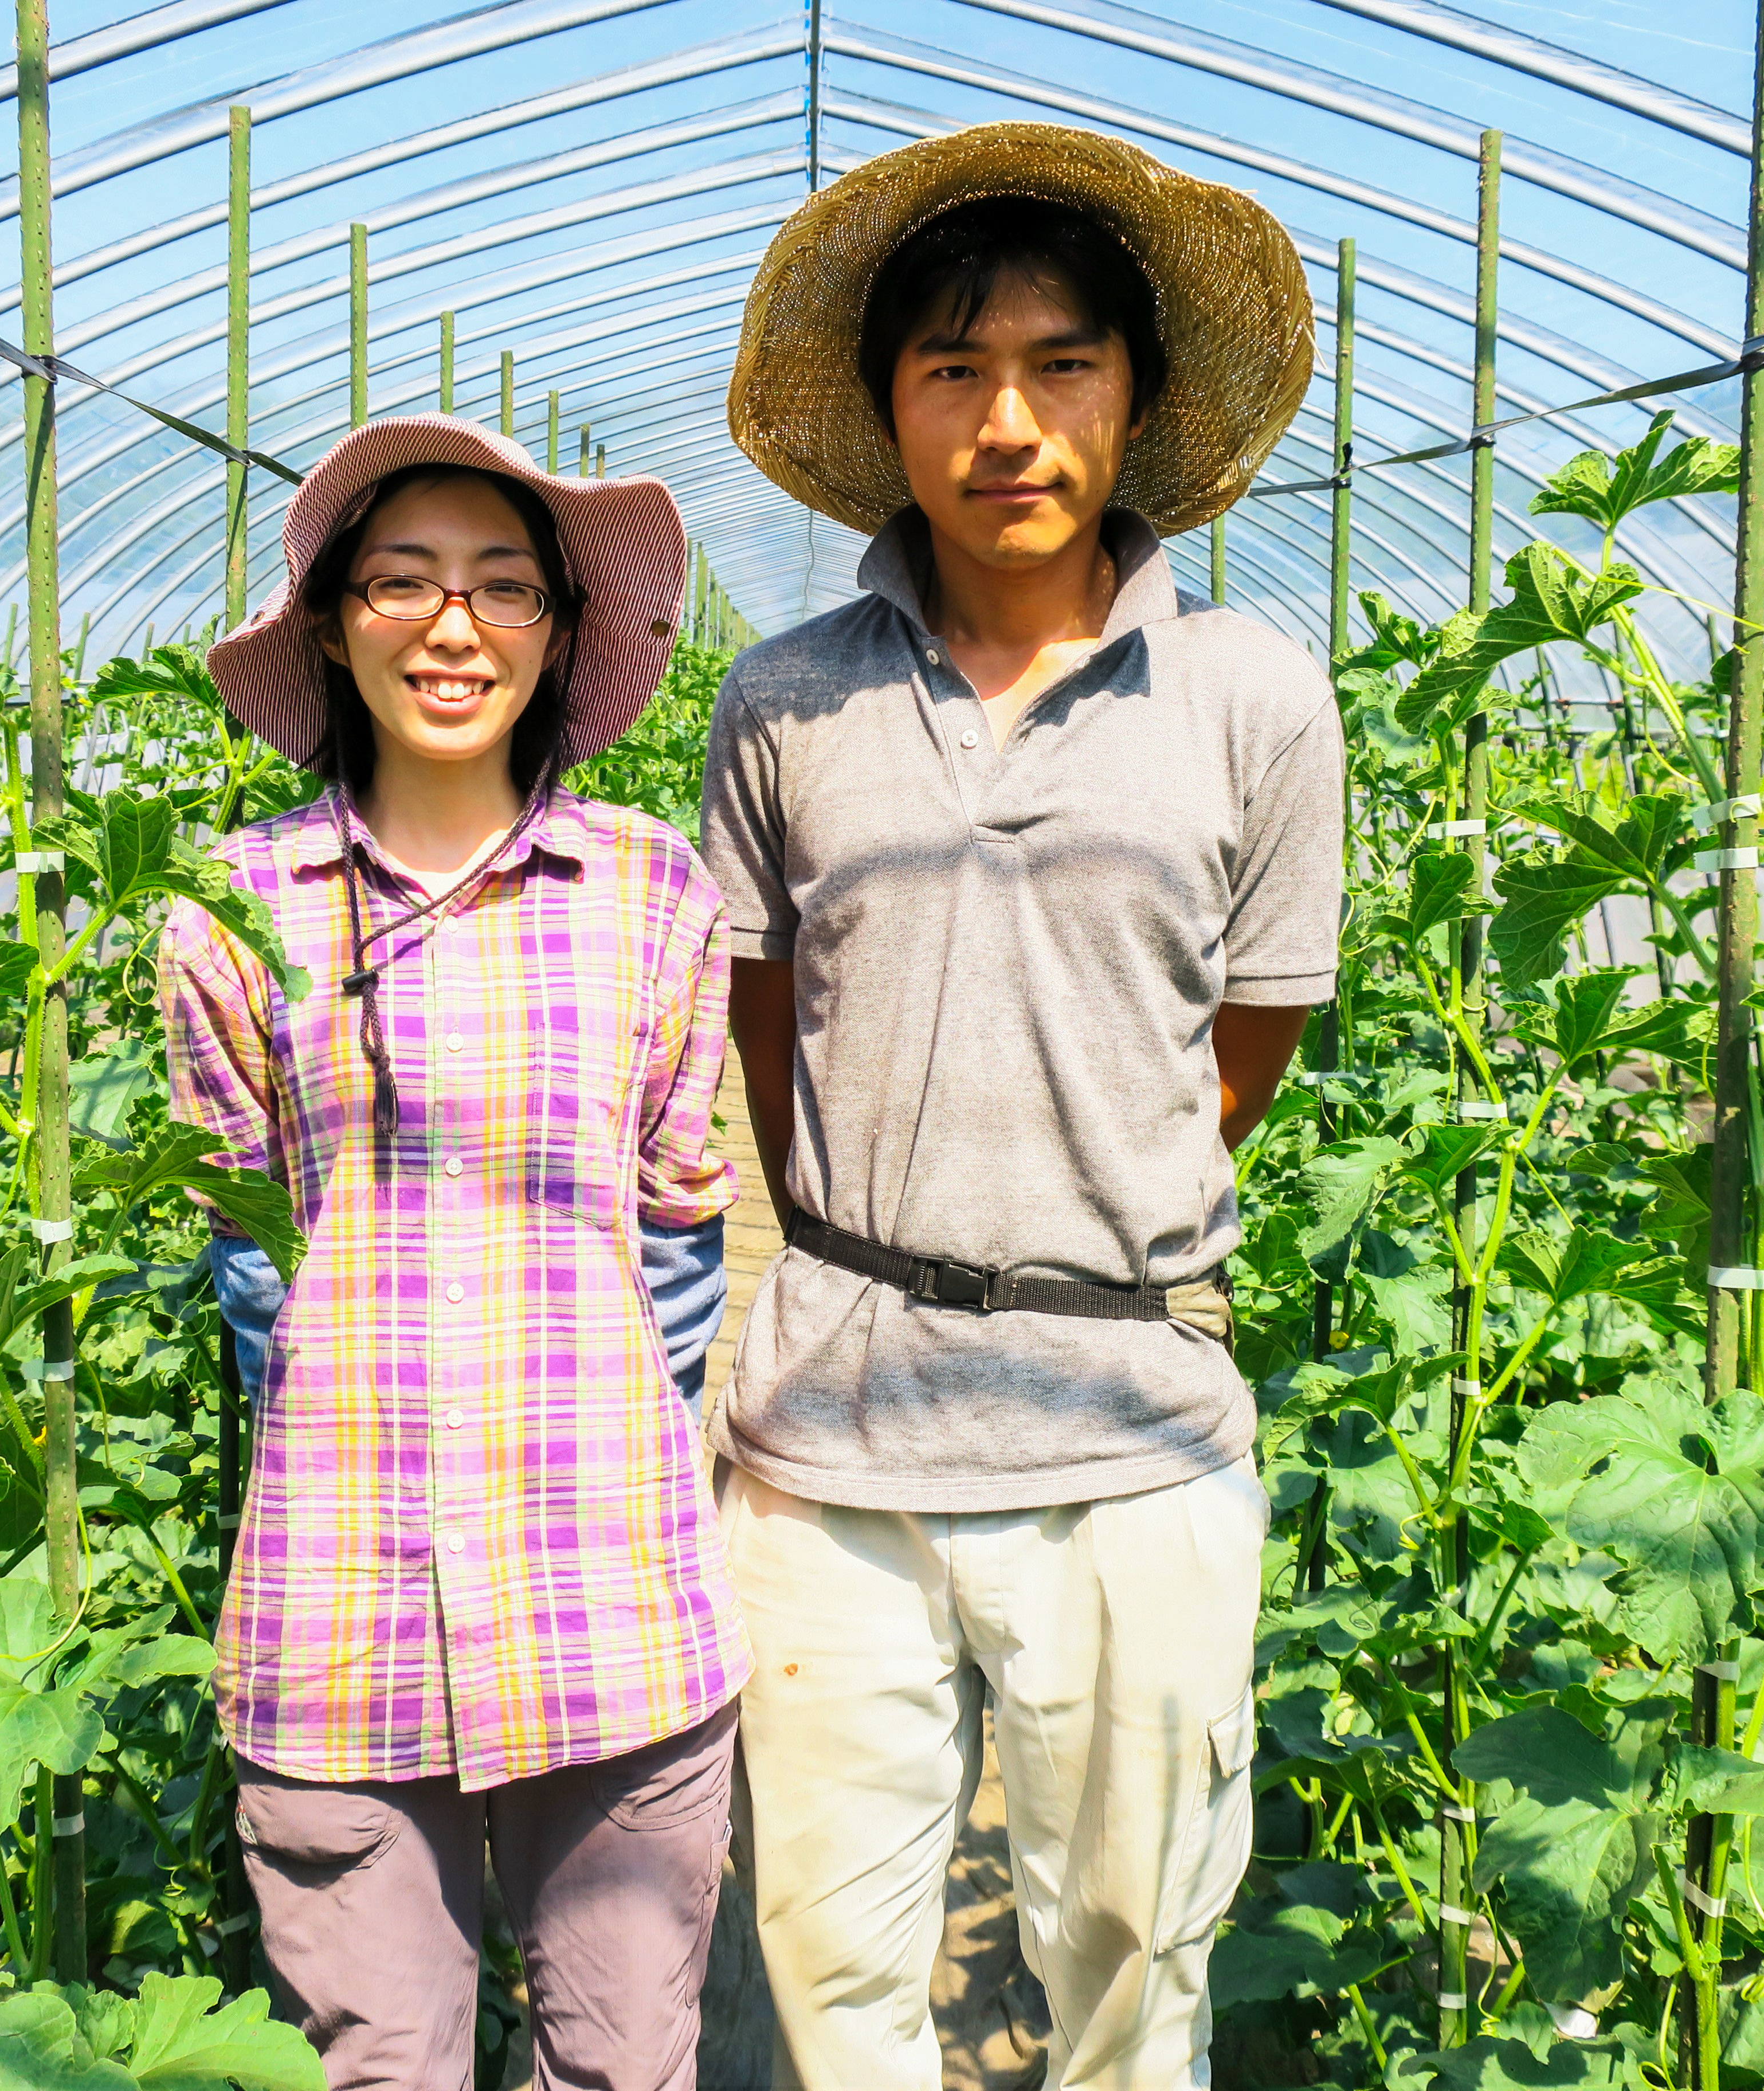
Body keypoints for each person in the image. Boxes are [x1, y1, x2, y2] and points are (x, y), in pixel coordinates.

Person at [704, 124, 1337, 2084]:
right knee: (827, 1976)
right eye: (952, 371)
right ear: (889, 415)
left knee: (1136, 1972)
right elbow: (767, 1029)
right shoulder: (781, 701)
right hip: (830, 1440)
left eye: (1063, 364)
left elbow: (1247, 1041)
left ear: (1134, 402)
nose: (1008, 421)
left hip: (1130, 1436)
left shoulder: (1251, 697)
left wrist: (1074, 1211)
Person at [158, 414, 742, 2090]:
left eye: (502, 587)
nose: (452, 626)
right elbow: (256, 1263)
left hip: (611, 1600)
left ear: (557, 633)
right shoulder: (231, 910)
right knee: (376, 2066)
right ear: (334, 622)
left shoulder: (650, 888)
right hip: (339, 1604)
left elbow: (679, 1232)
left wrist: (609, 1439)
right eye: (401, 582)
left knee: (623, 2062)